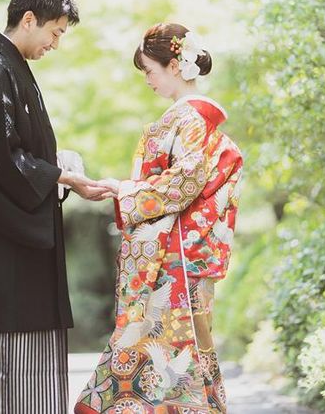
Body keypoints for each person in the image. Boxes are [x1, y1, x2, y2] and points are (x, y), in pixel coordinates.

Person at [0, 0, 106, 414]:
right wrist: (63, 177)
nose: (56, 43)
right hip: (1, 241)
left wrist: (57, 165)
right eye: (55, 32)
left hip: (15, 235)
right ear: (30, 19)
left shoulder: (12, 68)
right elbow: (1, 158)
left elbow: (20, 150)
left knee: (19, 362)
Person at [75, 22, 243, 413]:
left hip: (174, 258)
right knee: (171, 354)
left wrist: (123, 189)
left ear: (175, 65)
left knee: (170, 353)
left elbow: (183, 183)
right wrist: (123, 189)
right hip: (177, 252)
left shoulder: (191, 119)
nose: (147, 80)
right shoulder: (186, 118)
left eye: (150, 70)